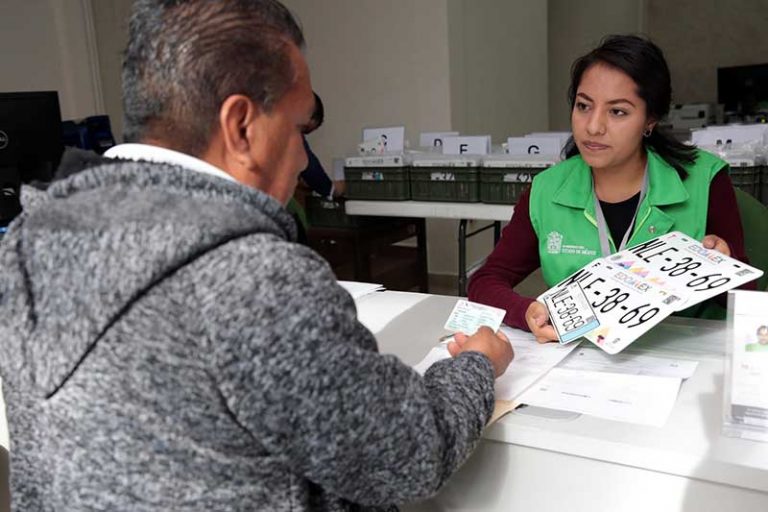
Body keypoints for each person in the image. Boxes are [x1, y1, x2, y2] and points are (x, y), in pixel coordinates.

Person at [0, 1, 513, 511]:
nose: (299, 158)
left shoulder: (27, 240)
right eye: (296, 129)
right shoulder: (254, 279)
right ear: (242, 126)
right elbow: (409, 453)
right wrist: (475, 365)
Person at [469, 34, 750, 343]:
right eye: (583, 106)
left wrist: (724, 272)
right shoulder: (547, 190)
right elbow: (486, 281)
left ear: (650, 119)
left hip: (681, 356)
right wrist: (528, 312)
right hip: (586, 358)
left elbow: (747, 305)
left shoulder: (704, 179)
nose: (593, 127)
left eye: (617, 111)